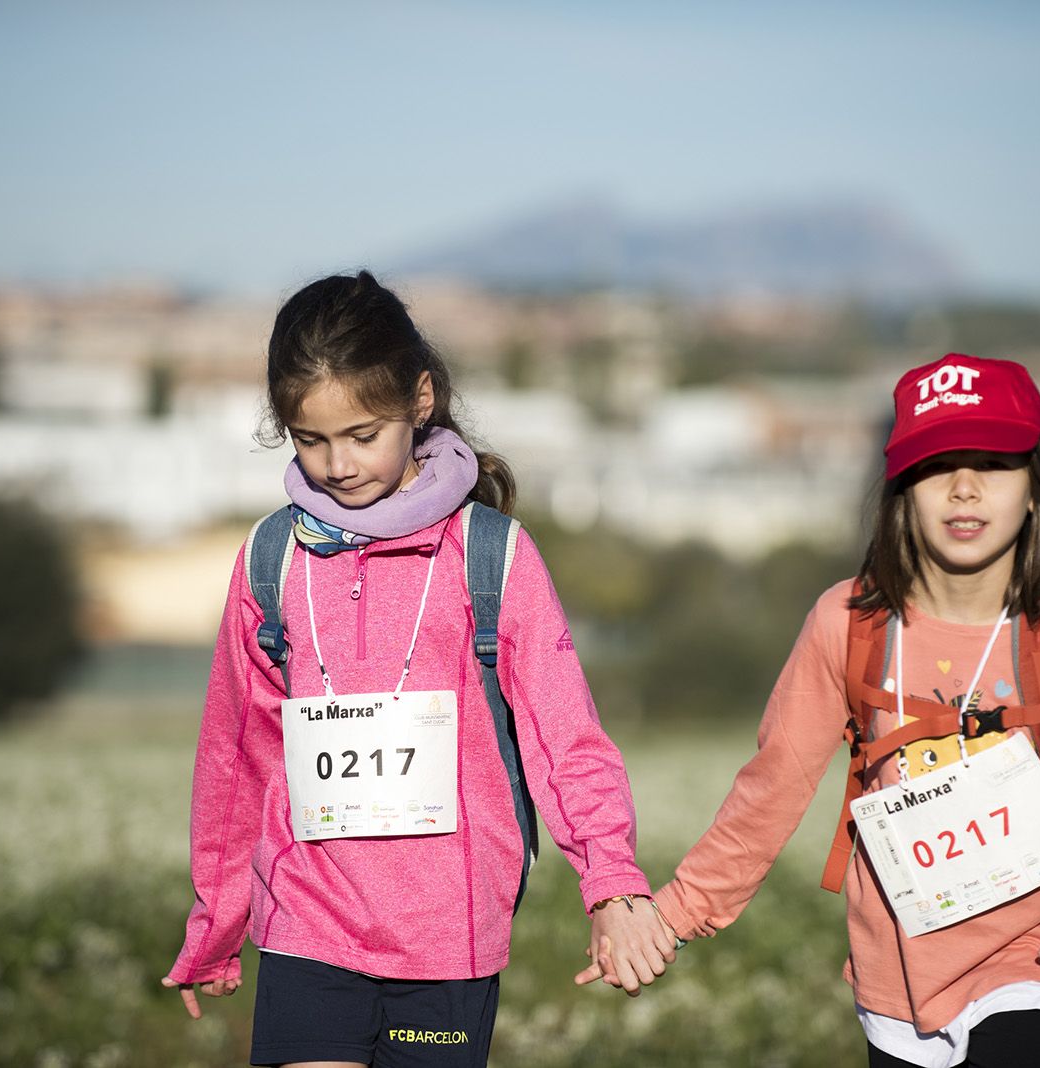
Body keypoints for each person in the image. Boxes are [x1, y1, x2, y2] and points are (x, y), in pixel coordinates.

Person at [162, 271, 674, 1068]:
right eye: (310, 439)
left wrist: (612, 883)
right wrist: (217, 922)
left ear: (421, 400)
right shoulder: (272, 559)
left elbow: (563, 738)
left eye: (363, 434)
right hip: (308, 919)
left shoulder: (491, 556)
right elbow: (236, 756)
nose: (337, 464)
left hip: (449, 939)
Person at [647, 354, 1040, 1068]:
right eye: (937, 467)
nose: (964, 489)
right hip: (895, 974)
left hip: (1037, 960)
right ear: (901, 491)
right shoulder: (845, 621)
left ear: (1035, 489)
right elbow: (771, 788)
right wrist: (670, 917)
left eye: (993, 463)